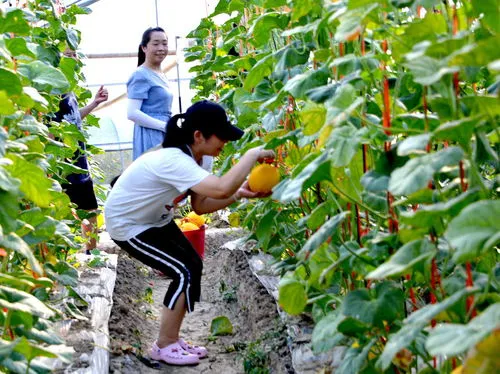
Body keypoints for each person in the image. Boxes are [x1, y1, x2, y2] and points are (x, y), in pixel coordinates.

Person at [104, 100, 274, 366]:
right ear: (198, 135)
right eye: (222, 136)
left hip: (155, 219)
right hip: (129, 224)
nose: (226, 143)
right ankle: (163, 345)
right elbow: (220, 188)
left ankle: (173, 339)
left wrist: (241, 194)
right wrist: (251, 156)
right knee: (182, 271)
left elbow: (202, 205)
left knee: (192, 264)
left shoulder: (199, 157)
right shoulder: (173, 159)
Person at [54, 48, 109, 254]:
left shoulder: (68, 89)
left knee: (90, 209)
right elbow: (50, 130)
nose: (73, 59)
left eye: (74, 55)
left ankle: (90, 253)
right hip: (63, 165)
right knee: (62, 212)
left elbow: (73, 119)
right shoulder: (51, 90)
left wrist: (94, 103)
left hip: (79, 163)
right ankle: (64, 256)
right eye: (67, 55)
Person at [127, 26, 173, 160]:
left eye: (164, 44)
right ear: (144, 48)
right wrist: (164, 126)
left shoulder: (160, 74)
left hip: (164, 131)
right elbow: (132, 113)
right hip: (151, 133)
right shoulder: (140, 75)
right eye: (156, 43)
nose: (161, 48)